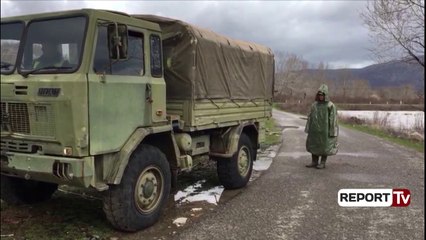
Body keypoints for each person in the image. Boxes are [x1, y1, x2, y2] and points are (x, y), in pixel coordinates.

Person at [304, 84, 339, 169]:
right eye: (319, 95)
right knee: (314, 145)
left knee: (324, 146)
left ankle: (322, 162)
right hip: (314, 130)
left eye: (322, 95)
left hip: (325, 130)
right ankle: (314, 161)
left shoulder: (330, 105)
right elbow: (310, 117)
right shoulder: (314, 105)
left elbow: (333, 119)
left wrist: (332, 132)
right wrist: (308, 128)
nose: (321, 97)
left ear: (325, 95)